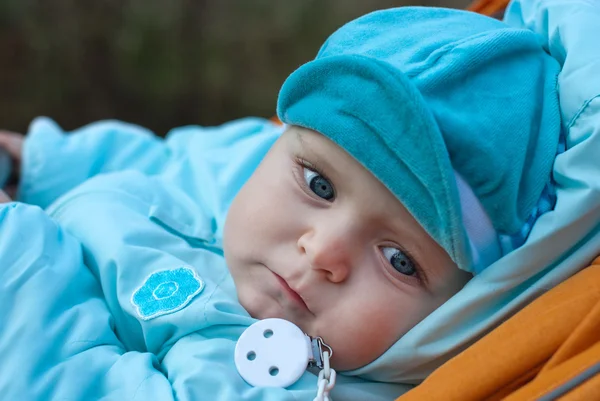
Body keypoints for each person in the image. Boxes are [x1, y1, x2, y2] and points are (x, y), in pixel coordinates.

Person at [0, 3, 574, 400]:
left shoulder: (293, 379)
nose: (322, 250)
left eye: (400, 259)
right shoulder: (258, 160)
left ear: (458, 311)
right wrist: (37, 165)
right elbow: (183, 161)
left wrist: (15, 250)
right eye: (320, 187)